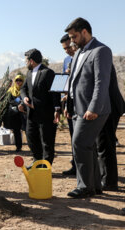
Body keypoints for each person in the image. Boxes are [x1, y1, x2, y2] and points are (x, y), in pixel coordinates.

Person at [65, 17, 112, 198]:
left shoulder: (101, 51)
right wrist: (69, 105)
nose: (72, 41)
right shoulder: (78, 53)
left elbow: (102, 82)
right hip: (78, 108)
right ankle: (95, 185)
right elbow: (74, 82)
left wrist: (93, 108)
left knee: (79, 143)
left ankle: (84, 186)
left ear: (84, 32)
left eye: (74, 36)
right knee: (88, 145)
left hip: (94, 109)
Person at [20, 49, 60, 167]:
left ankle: (46, 167)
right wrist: (25, 98)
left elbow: (55, 93)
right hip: (31, 114)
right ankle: (36, 162)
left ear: (31, 61)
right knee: (31, 138)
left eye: (26, 60)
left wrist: (57, 110)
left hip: (46, 113)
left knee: (46, 141)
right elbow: (23, 89)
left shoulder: (48, 72)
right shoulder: (29, 73)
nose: (25, 63)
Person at [96, 65, 124, 191]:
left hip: (108, 107)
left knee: (105, 144)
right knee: (104, 144)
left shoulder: (99, 57)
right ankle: (107, 179)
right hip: (106, 106)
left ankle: (109, 182)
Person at [60, 34, 77, 176]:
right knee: (73, 137)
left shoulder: (82, 56)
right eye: (64, 49)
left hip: (83, 104)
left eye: (68, 47)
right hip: (69, 104)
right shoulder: (66, 61)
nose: (67, 51)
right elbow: (63, 83)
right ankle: (75, 165)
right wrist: (64, 103)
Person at [2, 74, 25, 152]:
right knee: (16, 130)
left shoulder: (25, 89)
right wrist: (18, 104)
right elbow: (9, 100)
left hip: (24, 112)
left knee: (28, 130)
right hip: (15, 113)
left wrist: (22, 104)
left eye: (20, 80)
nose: (18, 82)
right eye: (17, 80)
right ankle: (19, 147)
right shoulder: (11, 90)